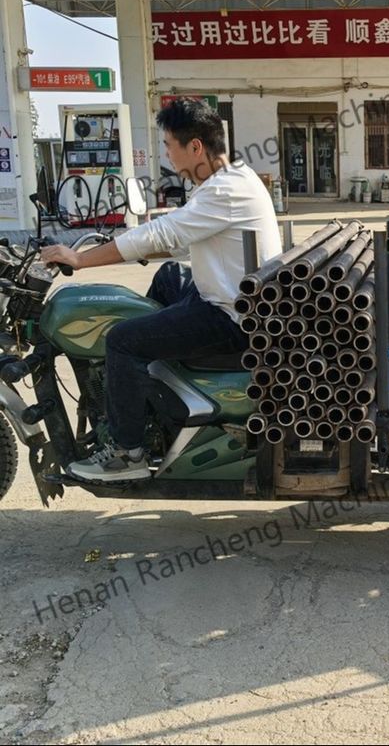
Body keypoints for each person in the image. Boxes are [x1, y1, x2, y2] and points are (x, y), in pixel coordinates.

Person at [41, 98, 281, 482]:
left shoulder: (224, 191)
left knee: (122, 339)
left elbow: (162, 232)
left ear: (195, 147)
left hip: (231, 318)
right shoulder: (230, 178)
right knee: (170, 275)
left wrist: (80, 259)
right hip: (228, 297)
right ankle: (150, 389)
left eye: (169, 145)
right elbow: (181, 240)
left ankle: (127, 453)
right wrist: (128, 248)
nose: (167, 154)